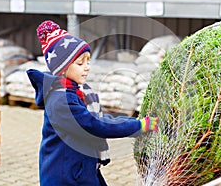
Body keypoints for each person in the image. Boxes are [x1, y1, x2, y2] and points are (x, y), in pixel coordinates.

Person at [27, 20, 159, 186]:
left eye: (88, 61)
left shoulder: (74, 92)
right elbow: (94, 124)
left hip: (81, 169)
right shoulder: (61, 101)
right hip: (65, 176)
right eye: (80, 63)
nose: (87, 67)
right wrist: (137, 126)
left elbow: (95, 118)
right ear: (62, 68)